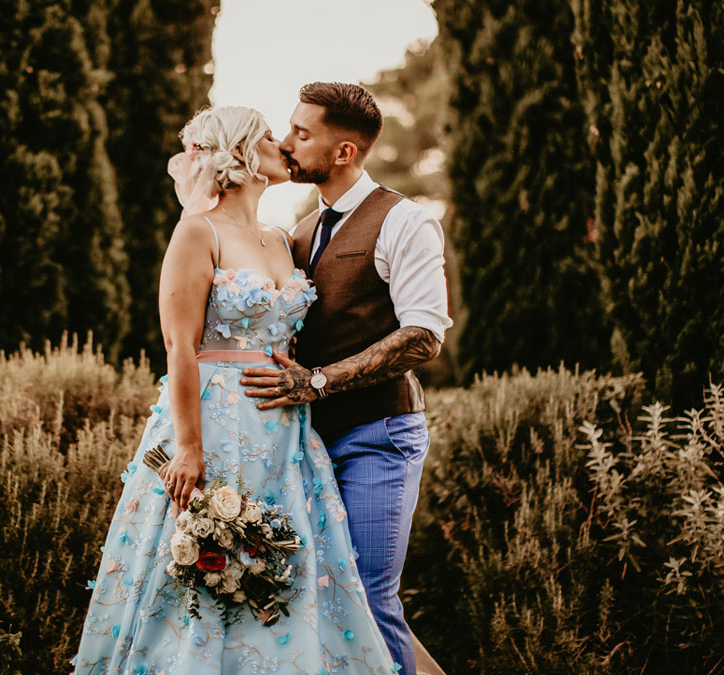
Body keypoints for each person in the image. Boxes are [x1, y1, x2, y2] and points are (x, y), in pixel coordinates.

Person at [70, 106, 397, 674]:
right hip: (213, 423)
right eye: (269, 136)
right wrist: (190, 449)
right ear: (241, 152)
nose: (282, 144)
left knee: (287, 569)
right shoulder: (197, 232)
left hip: (284, 433)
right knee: (201, 571)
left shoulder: (281, 239)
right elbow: (179, 346)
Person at [241, 82, 453, 675]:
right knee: (319, 598)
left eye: (301, 134)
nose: (285, 143)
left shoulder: (405, 221)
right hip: (305, 446)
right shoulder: (300, 233)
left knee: (364, 593)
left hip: (378, 436)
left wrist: (320, 381)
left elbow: (424, 335)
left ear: (344, 153)